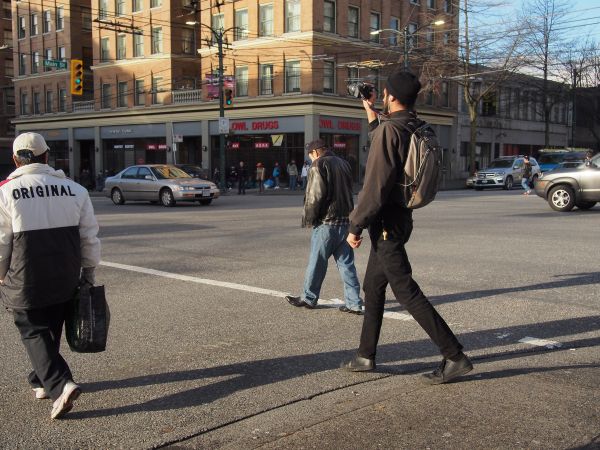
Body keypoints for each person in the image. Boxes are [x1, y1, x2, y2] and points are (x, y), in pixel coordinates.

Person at [341, 71, 473, 384]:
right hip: (402, 217)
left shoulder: (391, 130)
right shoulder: (414, 124)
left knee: (405, 291)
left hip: (385, 222)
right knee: (373, 287)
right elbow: (388, 144)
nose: (382, 96)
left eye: (384, 93)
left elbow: (375, 185)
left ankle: (454, 355)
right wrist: (369, 110)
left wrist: (355, 226)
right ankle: (365, 355)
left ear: (391, 95)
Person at [0, 132, 101, 419]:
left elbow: (1, 242)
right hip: (66, 275)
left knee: (32, 330)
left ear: (15, 159)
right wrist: (89, 271)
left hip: (26, 276)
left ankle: (60, 384)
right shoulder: (75, 190)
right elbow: (89, 238)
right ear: (47, 157)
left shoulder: (6, 192)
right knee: (50, 329)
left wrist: (1, 274)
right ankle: (41, 380)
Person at [285, 139, 363, 315]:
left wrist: (309, 219)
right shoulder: (344, 163)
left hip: (327, 223)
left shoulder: (318, 165)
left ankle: (308, 297)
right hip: (346, 221)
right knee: (346, 264)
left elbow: (315, 196)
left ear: (315, 153)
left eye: (310, 155)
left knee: (317, 262)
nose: (310, 159)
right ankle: (354, 303)